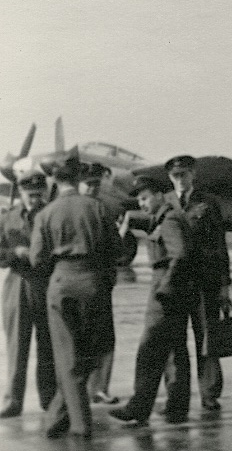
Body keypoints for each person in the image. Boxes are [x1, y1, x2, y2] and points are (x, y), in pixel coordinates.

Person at [30, 160, 121, 439]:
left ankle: (78, 425)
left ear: (55, 182)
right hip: (93, 282)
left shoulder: (45, 214)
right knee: (91, 353)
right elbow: (115, 248)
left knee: (67, 356)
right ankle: (58, 419)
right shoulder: (97, 207)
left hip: (61, 282)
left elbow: (37, 259)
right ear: (78, 178)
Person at [109, 175, 192, 426]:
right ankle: (177, 406)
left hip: (166, 292)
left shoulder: (169, 220)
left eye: (145, 198)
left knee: (149, 351)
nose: (142, 204)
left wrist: (165, 290)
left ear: (159, 195)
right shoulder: (167, 217)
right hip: (173, 290)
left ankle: (139, 407)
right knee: (175, 351)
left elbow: (180, 256)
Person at [162, 154, 230, 415]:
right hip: (177, 283)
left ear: (193, 175)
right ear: (170, 178)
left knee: (206, 338)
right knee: (175, 341)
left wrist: (224, 285)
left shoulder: (208, 202)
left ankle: (210, 393)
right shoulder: (165, 203)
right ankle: (176, 395)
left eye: (184, 175)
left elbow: (220, 245)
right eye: (175, 176)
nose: (180, 180)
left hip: (204, 282)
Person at [0, 169, 55, 417]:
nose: (34, 199)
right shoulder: (7, 218)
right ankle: (13, 400)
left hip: (46, 283)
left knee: (48, 344)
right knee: (16, 345)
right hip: (17, 283)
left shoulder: (52, 215)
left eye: (38, 194)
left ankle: (49, 398)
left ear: (45, 191)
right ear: (20, 192)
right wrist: (15, 254)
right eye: (29, 194)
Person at [79, 162, 120, 405]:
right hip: (82, 280)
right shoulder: (87, 209)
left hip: (99, 283)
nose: (93, 188)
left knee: (103, 337)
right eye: (89, 184)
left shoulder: (102, 210)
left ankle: (99, 387)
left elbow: (116, 248)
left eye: (97, 184)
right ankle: (79, 389)